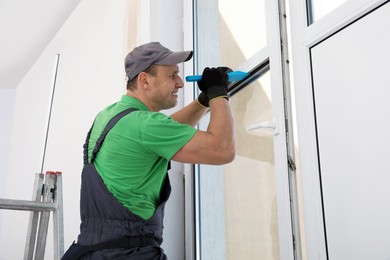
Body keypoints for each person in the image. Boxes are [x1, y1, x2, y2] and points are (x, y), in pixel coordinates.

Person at [62, 42, 235, 259]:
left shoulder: (111, 115)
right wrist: (219, 94)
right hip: (128, 253)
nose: (180, 83)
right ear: (144, 80)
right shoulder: (144, 125)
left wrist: (203, 101)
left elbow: (164, 134)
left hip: (91, 251)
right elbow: (223, 149)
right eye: (172, 75)